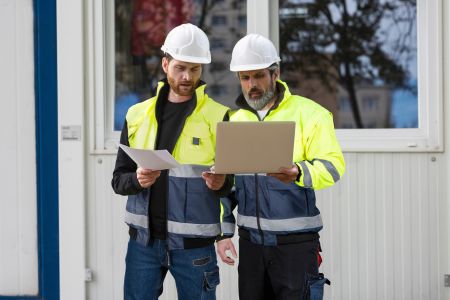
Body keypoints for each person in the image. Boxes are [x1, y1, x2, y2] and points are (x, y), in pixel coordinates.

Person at [217, 33, 346, 300]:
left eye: (258, 75)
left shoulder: (311, 114)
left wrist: (299, 172)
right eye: (245, 77)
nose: (251, 84)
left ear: (275, 74)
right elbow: (228, 185)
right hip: (251, 245)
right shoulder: (233, 120)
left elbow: (333, 166)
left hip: (296, 245)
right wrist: (223, 232)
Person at [112, 23, 232, 300]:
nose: (187, 76)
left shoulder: (220, 117)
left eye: (195, 69)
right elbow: (119, 180)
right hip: (143, 244)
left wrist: (222, 183)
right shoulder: (136, 115)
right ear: (165, 64)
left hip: (195, 248)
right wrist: (137, 179)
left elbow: (233, 187)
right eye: (180, 67)